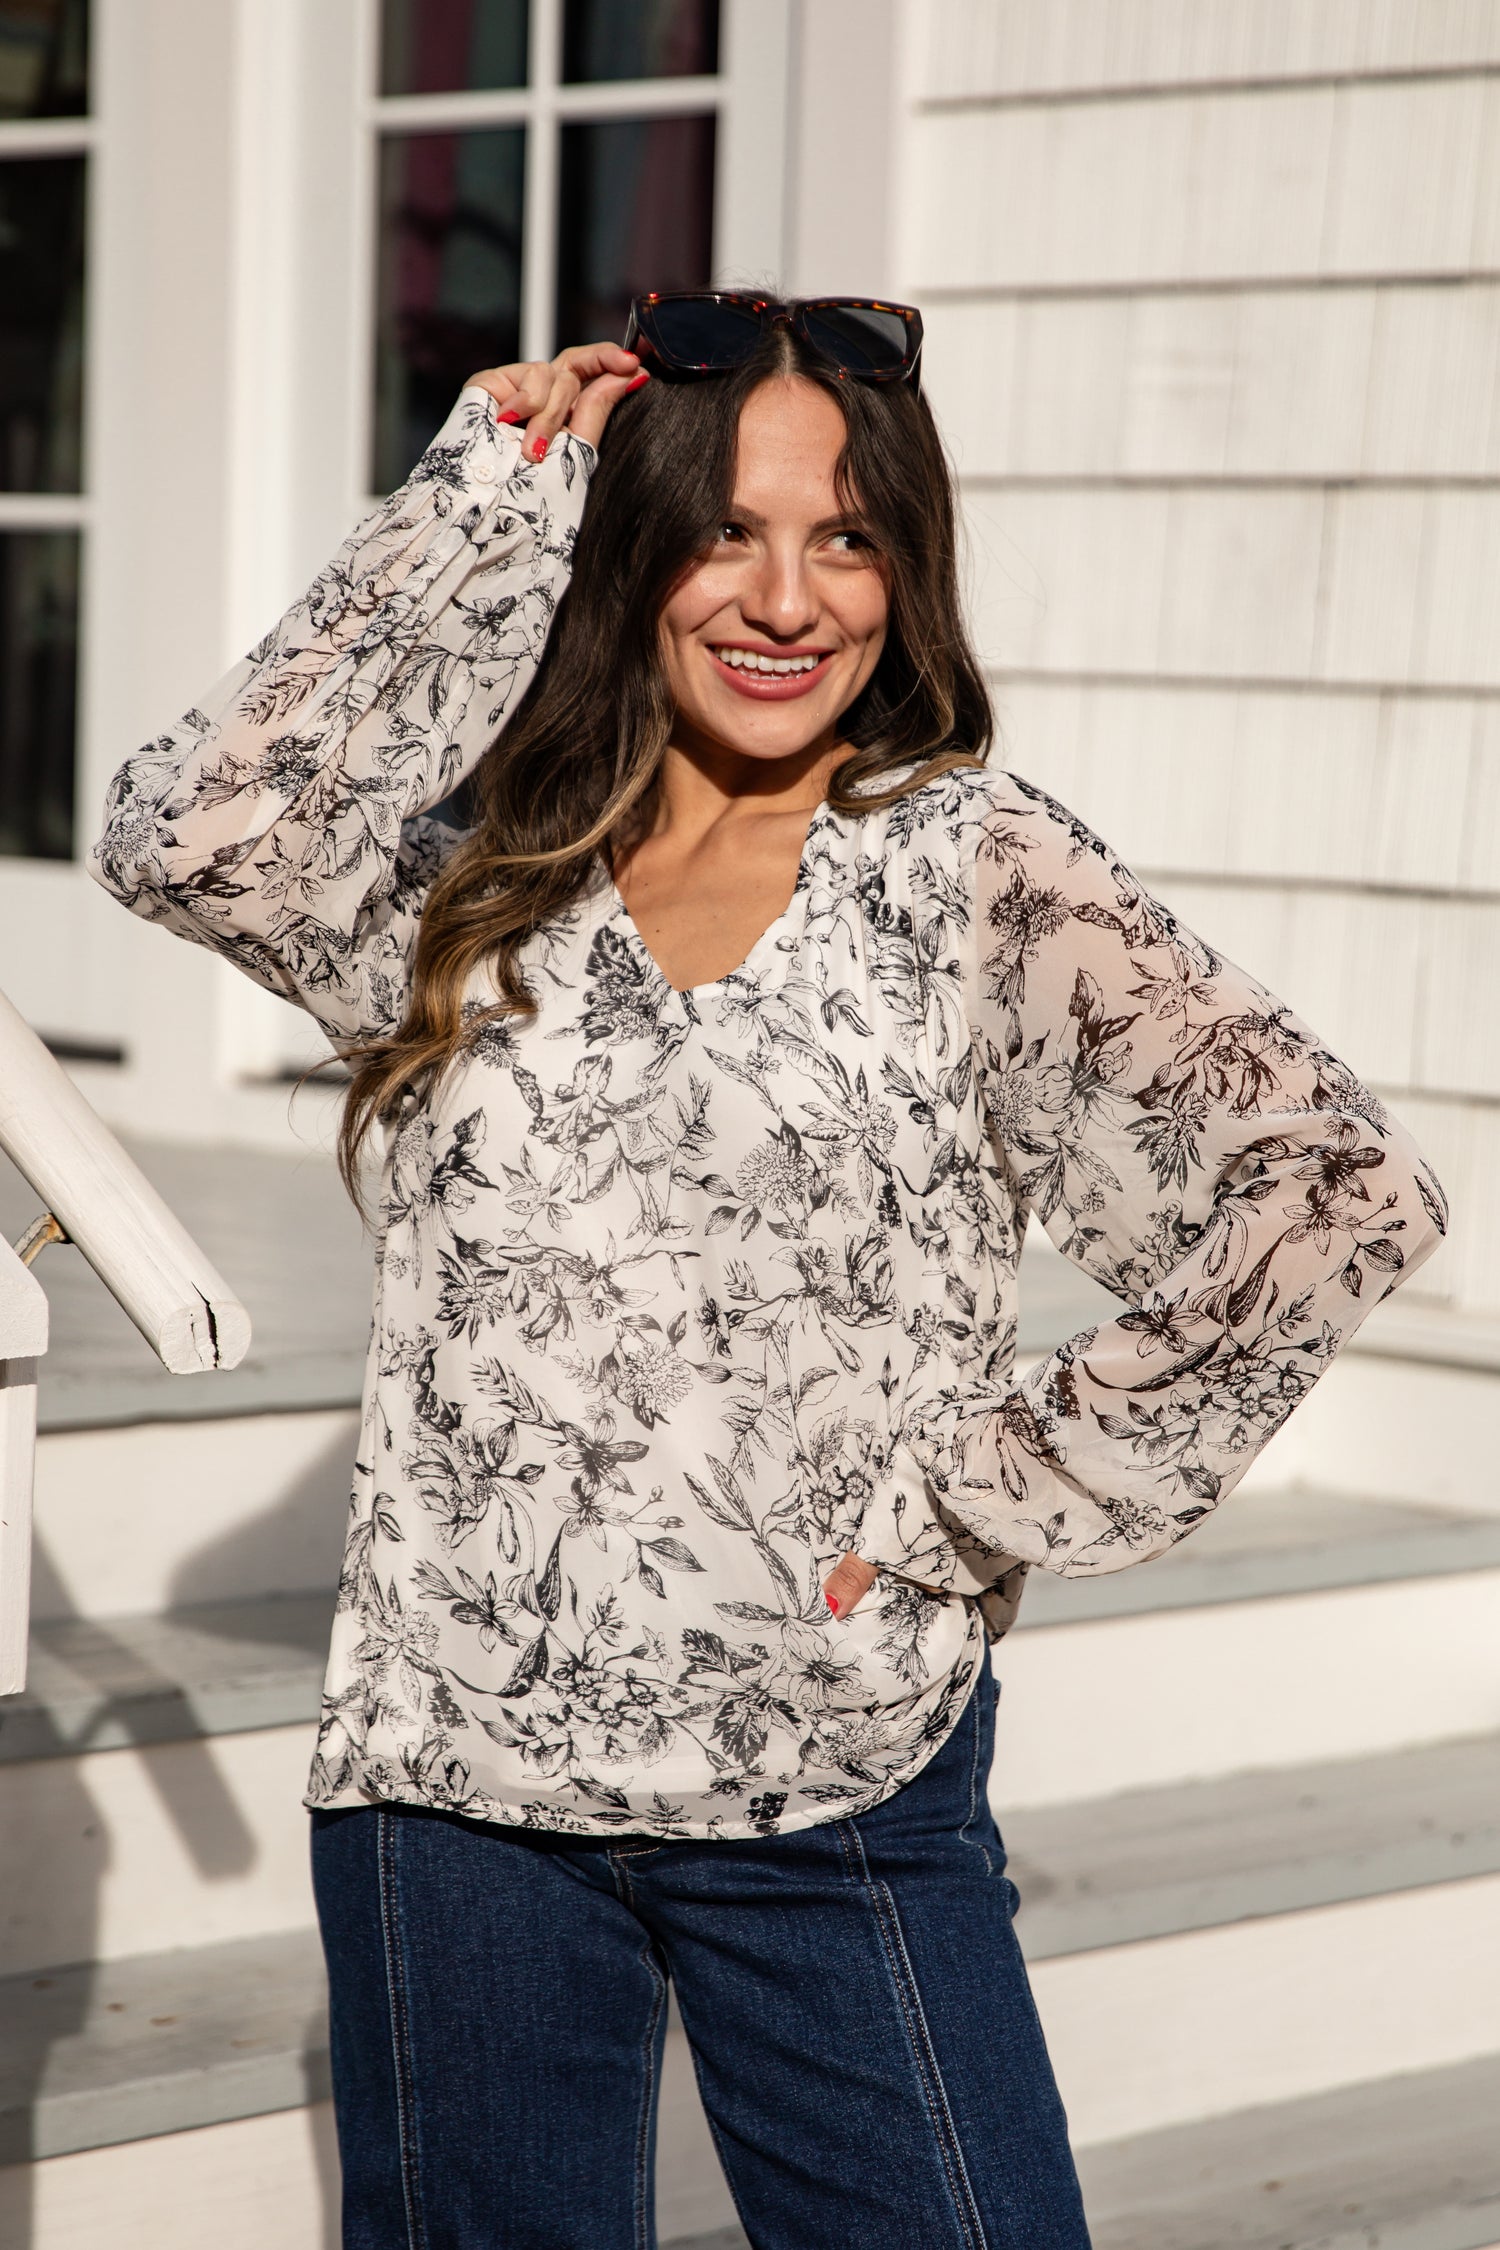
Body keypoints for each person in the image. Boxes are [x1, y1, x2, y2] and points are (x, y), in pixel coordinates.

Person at [91, 295, 1446, 2250]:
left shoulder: (970, 868)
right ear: (634, 552)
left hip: (836, 1777)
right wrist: (487, 493)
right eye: (725, 530)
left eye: (848, 535)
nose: (789, 595)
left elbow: (1325, 1191)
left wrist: (991, 1492)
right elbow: (189, 834)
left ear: (910, 567)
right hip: (455, 1783)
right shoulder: (481, 880)